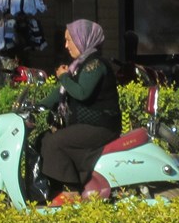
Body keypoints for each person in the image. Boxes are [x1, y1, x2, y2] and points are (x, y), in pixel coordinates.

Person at [37, 19, 121, 201]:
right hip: (86, 126)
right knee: (43, 139)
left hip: (102, 127)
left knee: (55, 142)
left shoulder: (95, 65)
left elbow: (81, 93)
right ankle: (54, 188)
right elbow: (59, 94)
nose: (66, 46)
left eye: (69, 40)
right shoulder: (79, 66)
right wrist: (36, 106)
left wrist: (64, 77)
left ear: (82, 39)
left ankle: (71, 190)